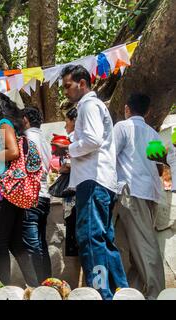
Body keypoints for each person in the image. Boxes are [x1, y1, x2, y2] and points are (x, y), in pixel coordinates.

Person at [53, 65, 128, 299]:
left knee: (90, 238)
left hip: (93, 181)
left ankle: (100, 292)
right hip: (102, 181)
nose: (65, 91)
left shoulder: (88, 104)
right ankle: (122, 291)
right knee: (105, 239)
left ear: (82, 83)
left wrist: (68, 147)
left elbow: (93, 140)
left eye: (67, 86)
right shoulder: (95, 106)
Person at [0, 91, 38, 287]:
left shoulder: (4, 125)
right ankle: (34, 286)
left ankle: (3, 289)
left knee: (0, 243)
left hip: (5, 189)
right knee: (16, 243)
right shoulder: (4, 125)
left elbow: (13, 152)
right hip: (10, 188)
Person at [113, 93, 165, 299]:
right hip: (150, 192)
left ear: (127, 109)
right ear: (148, 111)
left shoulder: (122, 127)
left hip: (131, 192)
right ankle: (133, 293)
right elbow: (160, 169)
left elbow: (109, 157)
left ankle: (157, 293)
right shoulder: (153, 134)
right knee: (136, 249)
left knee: (145, 246)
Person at [22, 107, 52, 282]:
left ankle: (40, 285)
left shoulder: (27, 139)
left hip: (32, 196)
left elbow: (26, 168)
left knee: (33, 245)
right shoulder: (45, 140)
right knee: (41, 243)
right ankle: (47, 282)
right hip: (44, 196)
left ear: (25, 119)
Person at [61, 107, 79, 257]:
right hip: (78, 193)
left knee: (78, 241)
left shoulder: (72, 139)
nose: (65, 125)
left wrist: (61, 168)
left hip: (74, 197)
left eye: (66, 120)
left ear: (74, 121)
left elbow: (68, 164)